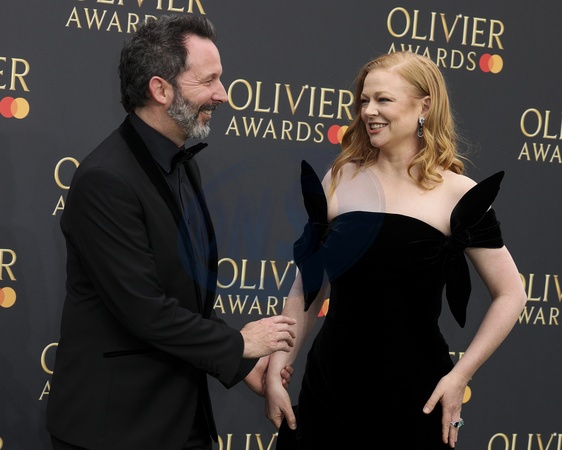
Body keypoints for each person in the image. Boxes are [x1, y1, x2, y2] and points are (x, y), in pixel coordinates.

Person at [46, 15, 297, 450]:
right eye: (209, 80)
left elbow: (183, 296)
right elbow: (145, 310)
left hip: (181, 416)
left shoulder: (183, 165)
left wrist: (243, 365)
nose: (223, 94)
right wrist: (239, 343)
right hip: (116, 429)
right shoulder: (105, 178)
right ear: (160, 90)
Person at [263, 51, 527, 449]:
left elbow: (512, 293)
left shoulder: (458, 193)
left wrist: (460, 376)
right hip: (329, 390)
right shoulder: (340, 177)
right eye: (364, 100)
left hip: (414, 397)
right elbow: (308, 285)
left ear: (425, 107)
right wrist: (278, 367)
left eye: (383, 99)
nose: (369, 111)